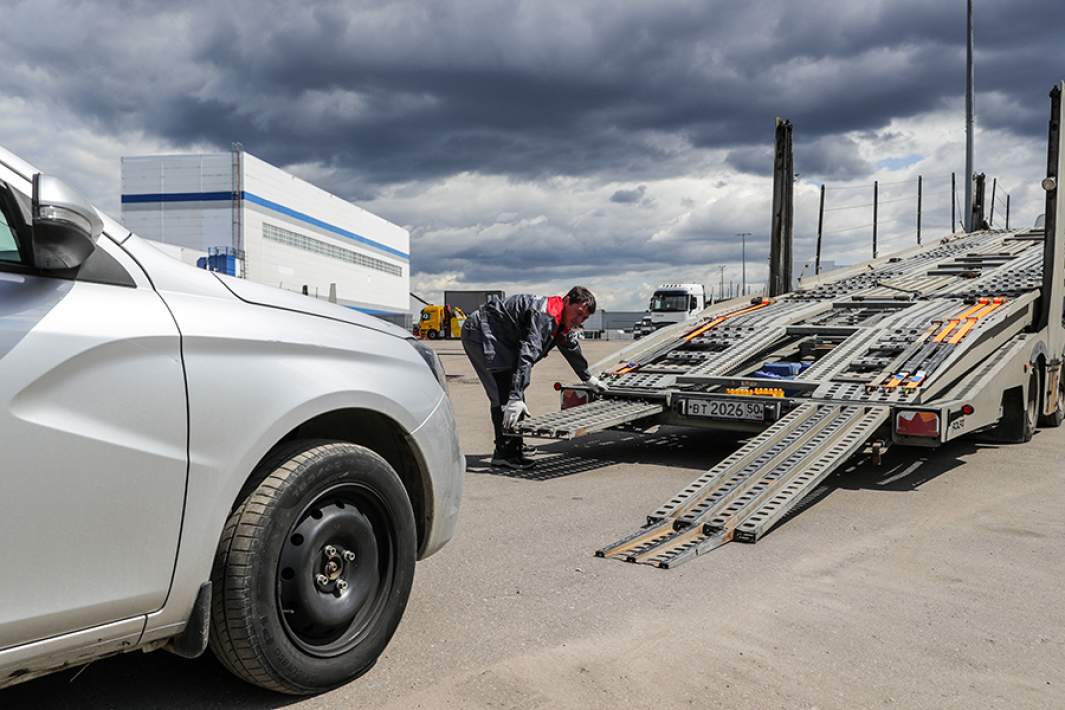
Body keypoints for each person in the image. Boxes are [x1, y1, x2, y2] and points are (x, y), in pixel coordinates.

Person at [461, 286, 607, 469]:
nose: (578, 320)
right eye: (578, 314)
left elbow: (569, 346)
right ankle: (504, 454)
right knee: (504, 395)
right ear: (567, 301)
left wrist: (588, 378)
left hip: (500, 337)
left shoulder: (561, 318)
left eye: (584, 318)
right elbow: (527, 354)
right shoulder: (545, 316)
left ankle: (514, 445)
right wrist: (514, 397)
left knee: (514, 391)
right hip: (482, 332)